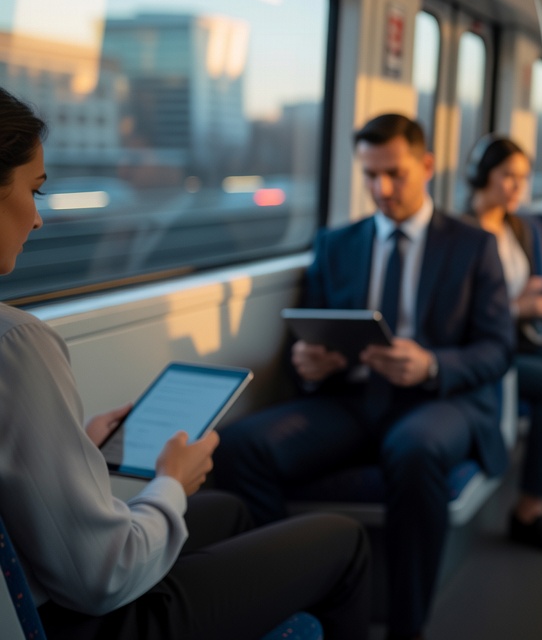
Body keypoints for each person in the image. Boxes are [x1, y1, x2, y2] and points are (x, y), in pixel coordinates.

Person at [0, 87, 370, 640]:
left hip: (37, 581)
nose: (38, 220)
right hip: (84, 619)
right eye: (34, 191)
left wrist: (80, 450)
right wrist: (171, 482)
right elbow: (106, 575)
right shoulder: (17, 343)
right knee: (345, 539)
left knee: (228, 511)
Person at [214, 114, 514, 640]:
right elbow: (300, 346)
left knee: (415, 448)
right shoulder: (336, 244)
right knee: (240, 445)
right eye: (370, 175)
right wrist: (308, 366)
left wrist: (433, 364)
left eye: (395, 173)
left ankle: (407, 625)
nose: (381, 189)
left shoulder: (471, 246)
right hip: (350, 398)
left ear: (426, 166)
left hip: (440, 400)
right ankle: (288, 605)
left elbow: (497, 349)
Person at [463, 135, 542, 553]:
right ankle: (529, 509)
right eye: (507, 177)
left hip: (520, 337)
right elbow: (462, 313)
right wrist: (519, 307)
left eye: (523, 178)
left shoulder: (517, 227)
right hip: (489, 346)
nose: (516, 187)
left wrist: (535, 298)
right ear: (482, 177)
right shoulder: (463, 234)